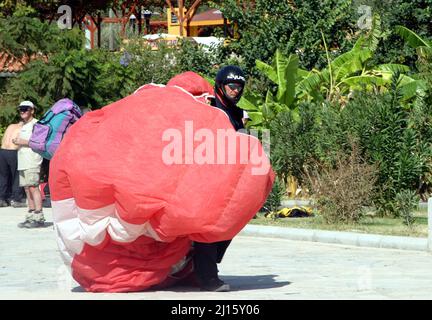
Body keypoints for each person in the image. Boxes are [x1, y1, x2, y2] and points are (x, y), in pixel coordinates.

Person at [192, 65, 247, 292]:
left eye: (239, 87)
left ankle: (204, 268)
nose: (235, 91)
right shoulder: (208, 106)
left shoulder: (238, 113)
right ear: (221, 86)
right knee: (208, 227)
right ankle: (207, 278)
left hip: (228, 179)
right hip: (205, 178)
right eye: (231, 86)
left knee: (230, 224)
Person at [12, 101, 44, 228]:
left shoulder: (36, 124)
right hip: (23, 161)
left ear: (32, 110)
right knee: (26, 188)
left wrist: (22, 141)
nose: (22, 111)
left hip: (32, 160)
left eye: (25, 109)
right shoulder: (24, 125)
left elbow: (40, 143)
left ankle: (39, 216)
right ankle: (31, 215)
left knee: (33, 187)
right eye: (20, 109)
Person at [0, 121, 27, 207]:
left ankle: (2, 199)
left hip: (2, 151)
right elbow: (18, 142)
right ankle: (17, 200)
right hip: (13, 152)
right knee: (17, 176)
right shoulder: (23, 129)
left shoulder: (10, 126)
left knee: (3, 176)